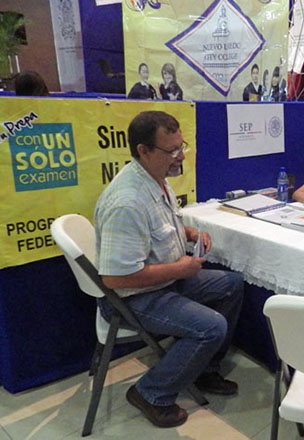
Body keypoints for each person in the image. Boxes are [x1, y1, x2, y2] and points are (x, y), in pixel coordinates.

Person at [94, 111, 244, 428]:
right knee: (212, 327)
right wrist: (179, 269)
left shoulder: (156, 179)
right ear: (143, 151)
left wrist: (189, 234)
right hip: (132, 297)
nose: (181, 157)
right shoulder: (127, 202)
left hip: (160, 284)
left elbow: (157, 229)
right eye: (172, 150)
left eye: (181, 146)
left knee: (231, 284)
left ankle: (203, 369)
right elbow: (114, 278)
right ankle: (150, 392)